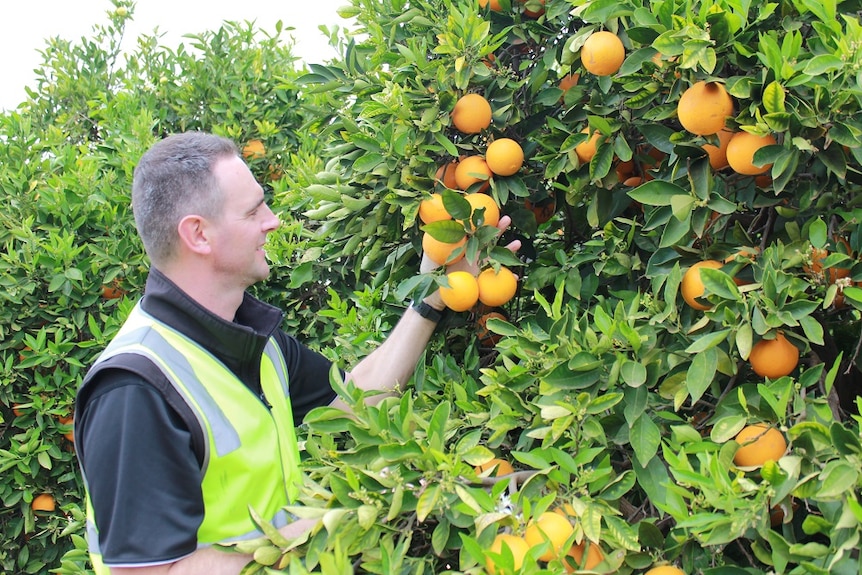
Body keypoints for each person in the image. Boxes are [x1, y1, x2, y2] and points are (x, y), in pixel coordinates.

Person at [74, 131, 520, 574]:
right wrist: (311, 528)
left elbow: (357, 397)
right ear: (198, 234)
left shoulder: (251, 340)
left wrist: (434, 293)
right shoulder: (136, 388)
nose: (273, 221)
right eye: (253, 211)